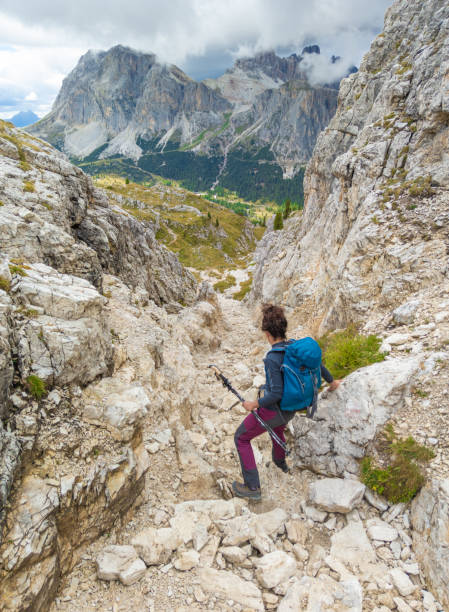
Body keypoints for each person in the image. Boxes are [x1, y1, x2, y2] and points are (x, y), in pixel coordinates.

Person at [232, 303, 341, 501]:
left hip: (276, 409)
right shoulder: (294, 348)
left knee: (241, 437)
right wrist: (332, 382)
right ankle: (280, 463)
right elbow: (319, 365)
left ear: (267, 334)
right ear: (283, 329)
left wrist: (253, 404)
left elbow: (275, 395)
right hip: (294, 408)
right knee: (278, 428)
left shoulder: (272, 358)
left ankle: (252, 486)